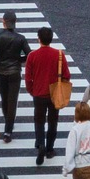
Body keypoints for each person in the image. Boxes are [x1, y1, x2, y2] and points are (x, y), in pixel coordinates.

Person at [25, 26, 71, 166]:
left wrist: (31, 90)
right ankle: (50, 149)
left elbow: (28, 78)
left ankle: (40, 144)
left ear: (39, 39)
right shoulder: (59, 54)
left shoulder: (32, 56)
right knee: (53, 121)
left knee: (39, 121)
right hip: (54, 93)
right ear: (51, 39)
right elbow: (66, 75)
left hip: (38, 93)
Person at [0, 11, 30, 143]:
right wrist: (19, 60)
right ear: (15, 22)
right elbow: (29, 54)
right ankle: (8, 130)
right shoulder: (20, 38)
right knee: (12, 100)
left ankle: (7, 120)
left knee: (4, 98)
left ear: (3, 21)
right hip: (15, 71)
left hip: (1, 71)